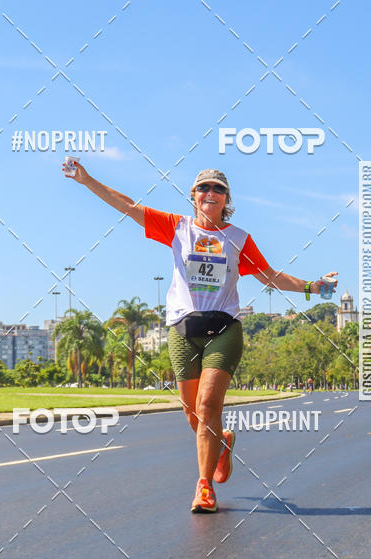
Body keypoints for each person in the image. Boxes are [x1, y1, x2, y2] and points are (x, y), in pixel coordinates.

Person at [63, 162, 338, 513]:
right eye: (204, 188)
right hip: (183, 330)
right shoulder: (176, 228)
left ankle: (204, 487)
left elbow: (270, 277)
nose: (211, 193)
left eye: (218, 189)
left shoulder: (238, 239)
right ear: (193, 196)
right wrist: (87, 180)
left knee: (208, 406)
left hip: (224, 328)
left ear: (227, 199)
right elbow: (127, 206)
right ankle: (222, 443)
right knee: (195, 416)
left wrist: (313, 287)